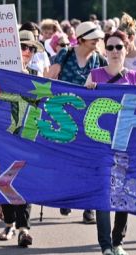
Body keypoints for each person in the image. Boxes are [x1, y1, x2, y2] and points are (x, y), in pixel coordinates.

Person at [85, 30, 136, 255]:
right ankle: (105, 246)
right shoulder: (94, 76)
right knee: (103, 193)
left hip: (125, 145)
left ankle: (118, 241)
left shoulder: (135, 78)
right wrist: (86, 92)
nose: (114, 51)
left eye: (118, 47)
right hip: (100, 145)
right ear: (104, 50)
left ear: (126, 48)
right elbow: (82, 108)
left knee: (122, 194)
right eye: (110, 47)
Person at [46, 20, 105, 224]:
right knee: (66, 160)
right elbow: (50, 77)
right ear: (81, 39)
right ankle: (67, 196)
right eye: (93, 38)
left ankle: (88, 207)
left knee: (88, 162)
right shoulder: (66, 54)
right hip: (64, 115)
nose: (97, 41)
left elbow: (111, 79)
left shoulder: (99, 59)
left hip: (88, 118)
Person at [0, 30, 41, 248]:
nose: (28, 52)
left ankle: (24, 228)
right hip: (3, 134)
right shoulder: (0, 71)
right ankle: (10, 222)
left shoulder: (34, 72)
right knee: (5, 179)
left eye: (32, 49)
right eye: (24, 47)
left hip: (28, 133)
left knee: (25, 180)